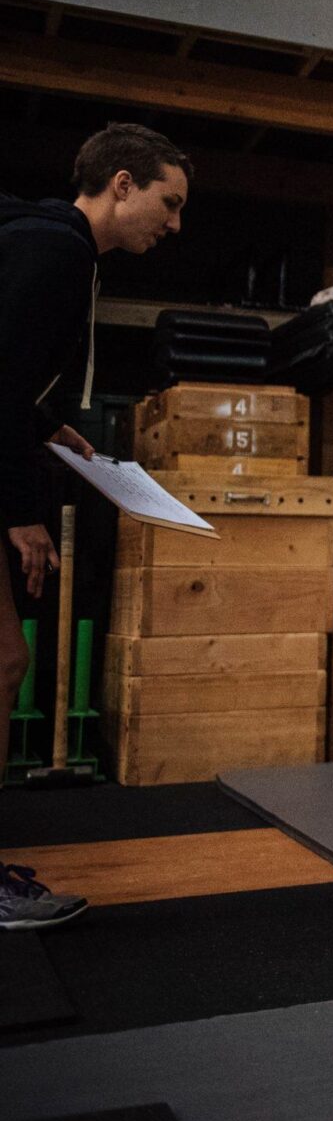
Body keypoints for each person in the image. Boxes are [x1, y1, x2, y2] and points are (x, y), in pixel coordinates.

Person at [1, 122, 188, 930]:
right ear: (120, 183)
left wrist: (47, 425)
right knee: (3, 659)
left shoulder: (37, 234)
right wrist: (19, 513)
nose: (174, 224)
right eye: (167, 202)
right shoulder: (61, 253)